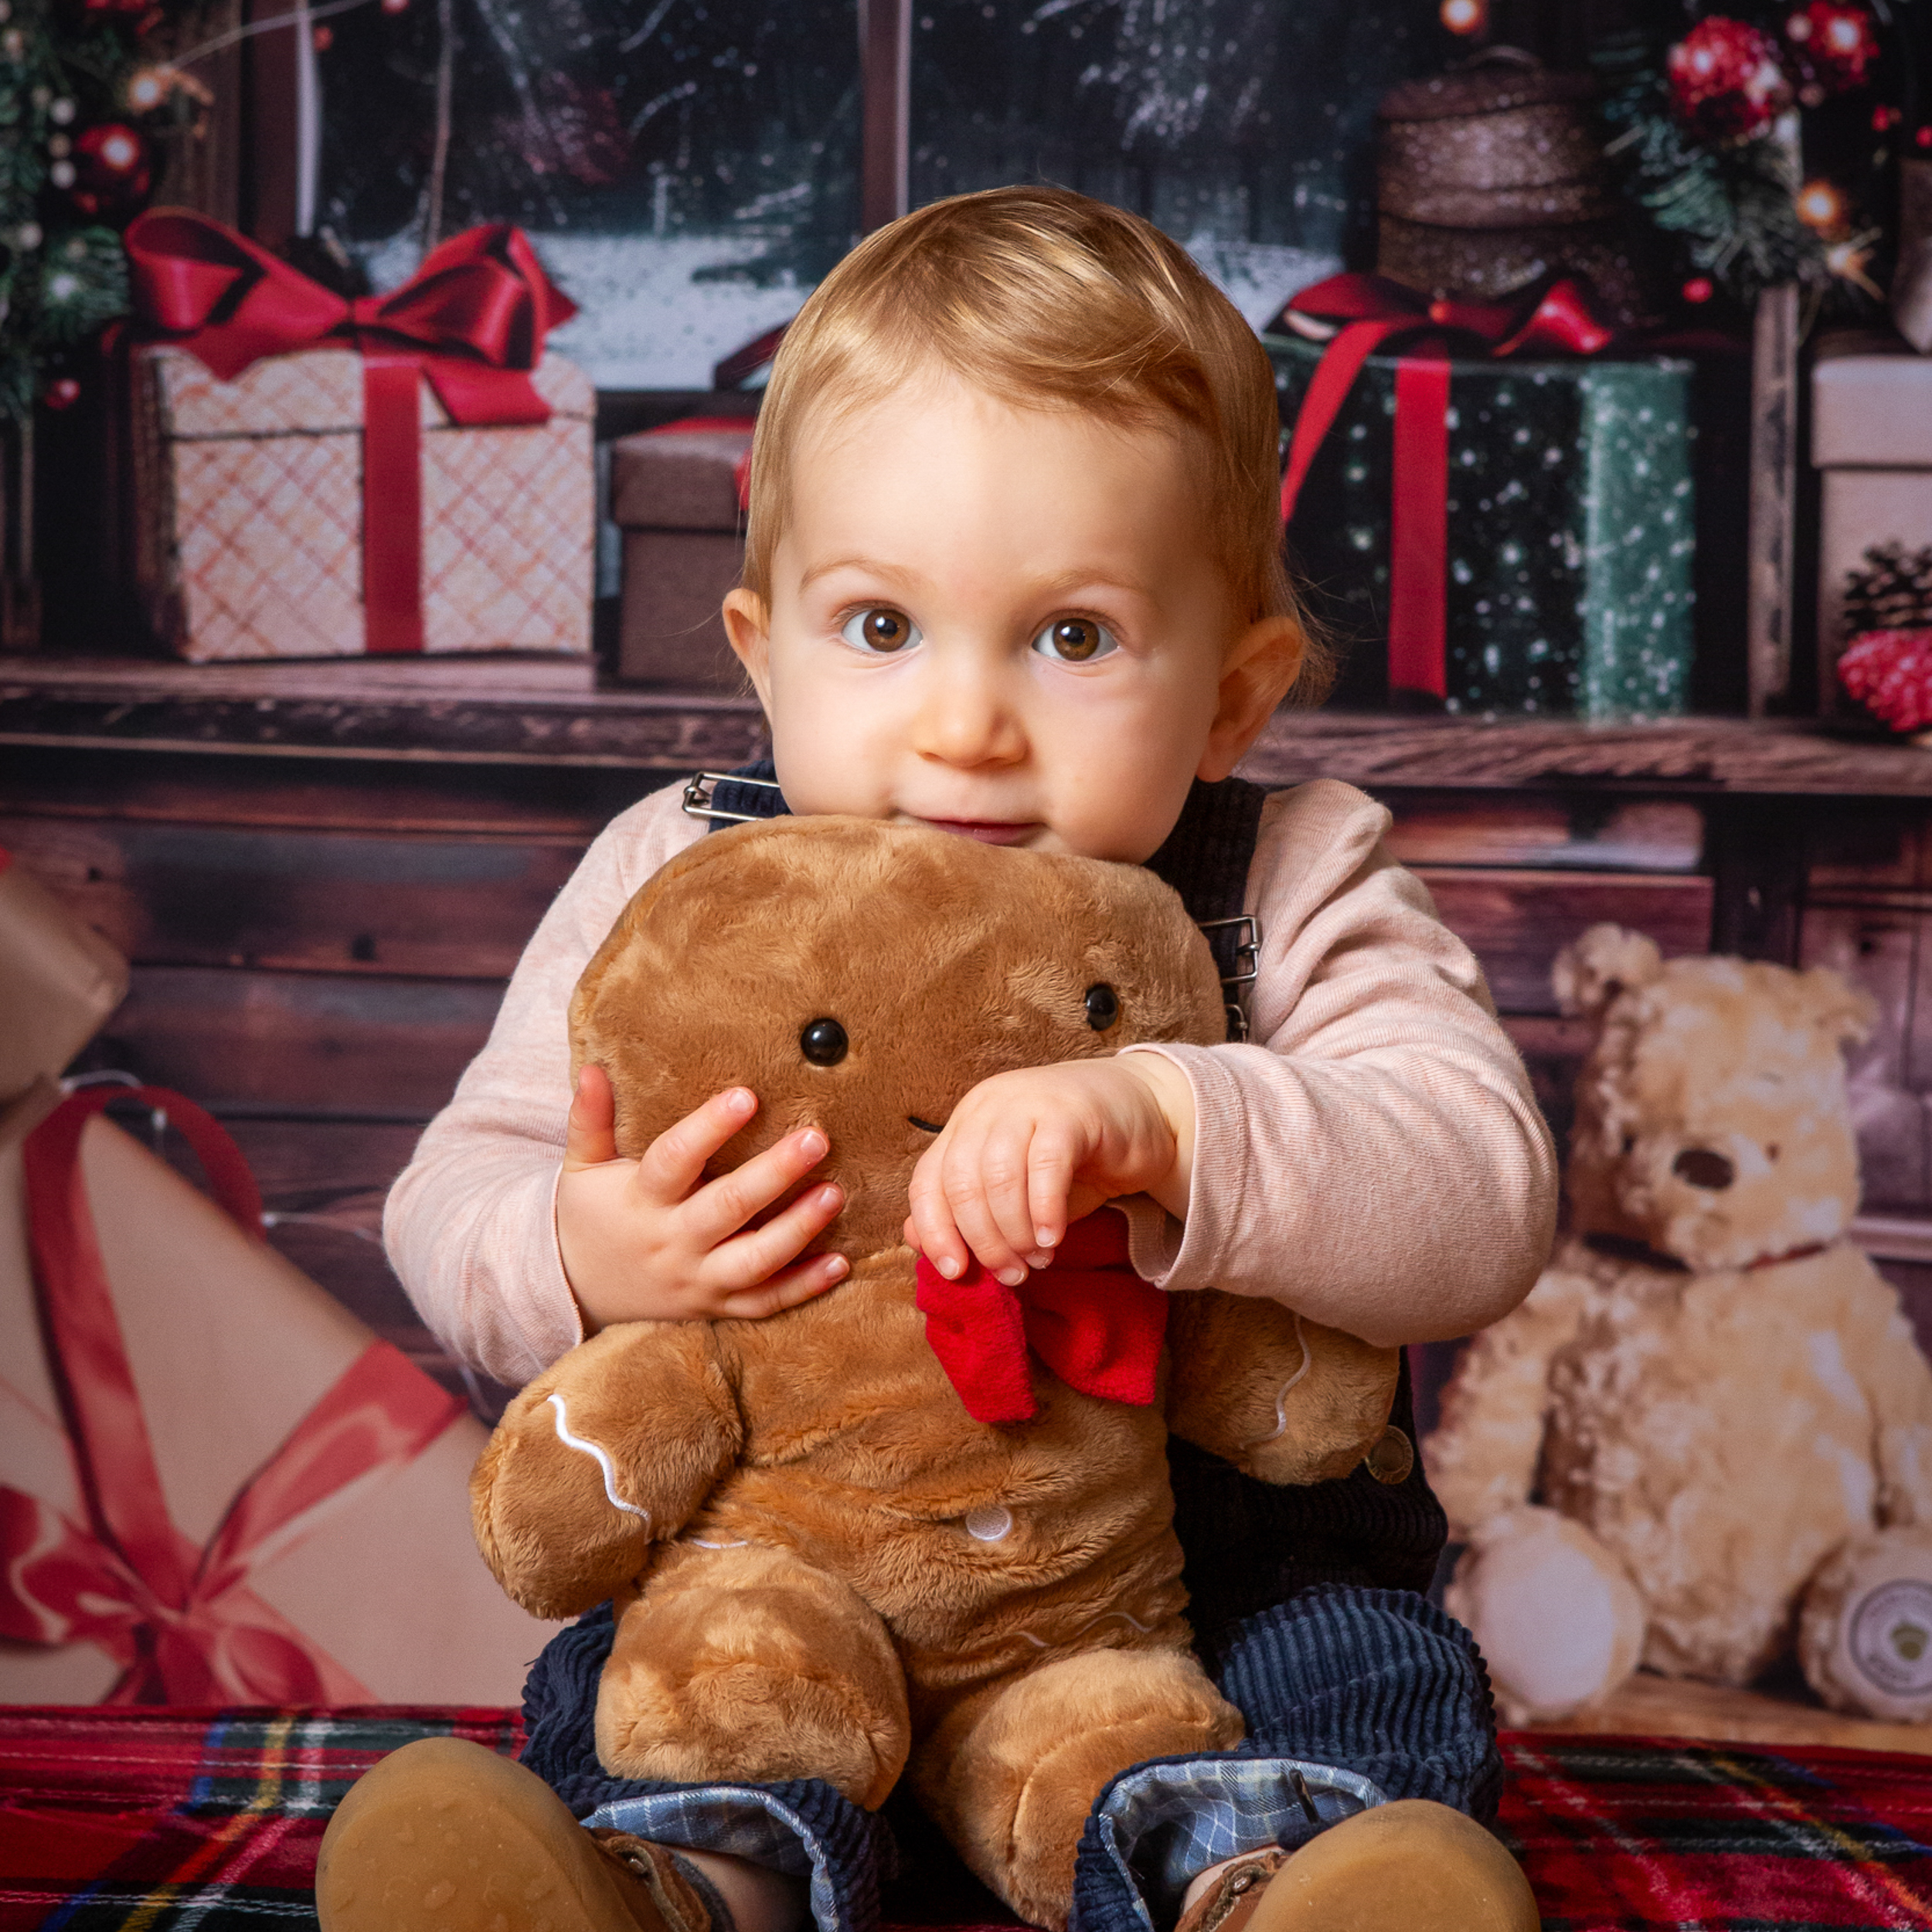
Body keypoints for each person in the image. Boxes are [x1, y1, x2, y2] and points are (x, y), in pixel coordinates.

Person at [319, 185, 1556, 1932]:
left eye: (1071, 636)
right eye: (880, 627)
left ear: (1229, 692)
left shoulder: (1285, 876)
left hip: (1195, 1578)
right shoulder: (677, 873)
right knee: (633, 1674)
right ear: (763, 655)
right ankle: (678, 1879)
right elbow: (453, 1180)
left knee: (1355, 1661)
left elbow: (1479, 1186)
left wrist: (1166, 1118)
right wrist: (576, 1252)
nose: (964, 721)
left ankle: (1263, 1879)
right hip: (778, 1549)